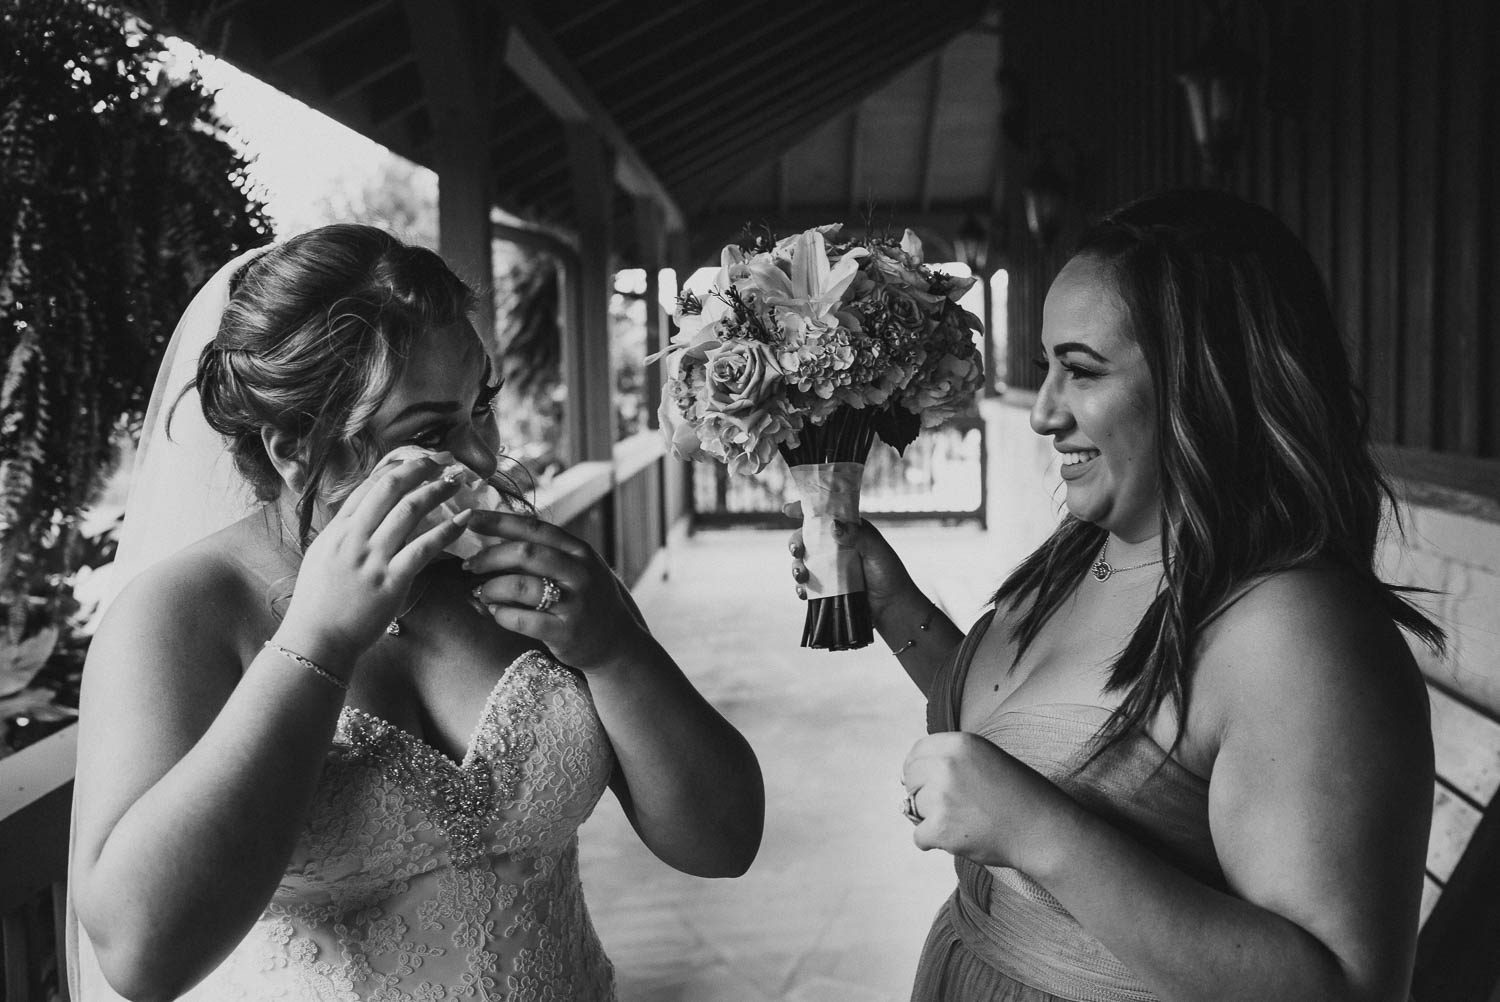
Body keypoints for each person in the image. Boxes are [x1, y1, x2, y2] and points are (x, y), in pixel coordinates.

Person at [67, 224, 764, 1002]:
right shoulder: (181, 614)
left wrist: (615, 650)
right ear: (296, 448)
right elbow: (139, 957)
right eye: (431, 430)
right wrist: (316, 643)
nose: (483, 460)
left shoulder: (535, 572)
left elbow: (724, 842)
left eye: (482, 407)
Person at [793, 188, 1442, 1001]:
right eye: (1046, 369)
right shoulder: (1090, 550)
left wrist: (1033, 831)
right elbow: (1056, 746)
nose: (1044, 414)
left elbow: (1341, 989)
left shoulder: (1295, 632)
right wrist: (896, 608)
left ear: (1209, 382)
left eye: (1083, 371)